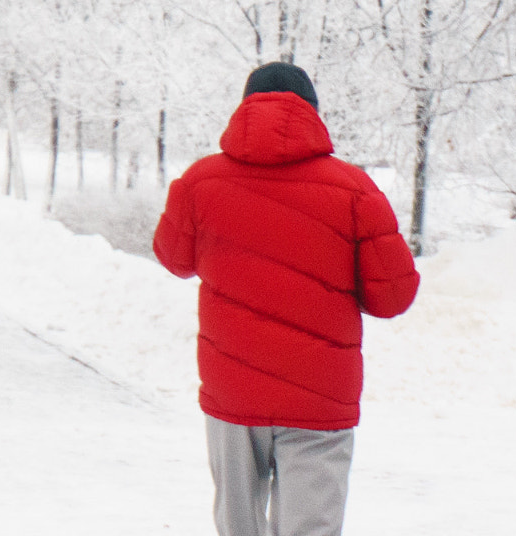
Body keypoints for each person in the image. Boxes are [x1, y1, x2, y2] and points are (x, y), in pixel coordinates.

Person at [152, 62, 419, 536]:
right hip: (320, 399)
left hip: (232, 391)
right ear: (313, 115)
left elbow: (174, 258)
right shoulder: (355, 190)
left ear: (244, 109)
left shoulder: (200, 182)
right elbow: (393, 296)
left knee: (239, 527)